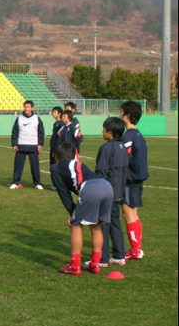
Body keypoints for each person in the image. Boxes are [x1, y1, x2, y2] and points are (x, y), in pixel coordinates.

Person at [51, 142, 113, 276]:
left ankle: (74, 267)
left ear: (54, 155)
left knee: (75, 226)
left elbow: (63, 193)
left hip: (91, 189)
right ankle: (95, 264)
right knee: (96, 226)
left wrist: (72, 212)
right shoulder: (79, 164)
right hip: (106, 186)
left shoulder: (55, 168)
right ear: (75, 154)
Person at [85, 117, 128, 268]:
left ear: (109, 132)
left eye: (103, 130)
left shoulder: (106, 148)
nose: (102, 132)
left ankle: (102, 258)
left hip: (107, 191)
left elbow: (102, 171)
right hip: (118, 191)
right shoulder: (122, 146)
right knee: (115, 222)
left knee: (103, 224)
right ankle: (119, 255)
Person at [120, 100, 149, 260]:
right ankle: (137, 248)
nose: (120, 113)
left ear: (127, 115)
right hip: (136, 179)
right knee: (134, 214)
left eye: (121, 111)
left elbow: (125, 159)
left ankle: (136, 249)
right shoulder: (137, 135)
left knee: (128, 214)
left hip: (130, 180)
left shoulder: (129, 136)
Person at [10, 100, 45, 189]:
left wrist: (40, 144)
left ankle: (37, 183)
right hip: (21, 144)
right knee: (18, 165)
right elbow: (15, 132)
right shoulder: (19, 118)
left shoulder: (37, 118)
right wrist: (14, 144)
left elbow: (41, 132)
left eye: (28, 107)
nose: (26, 109)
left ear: (32, 108)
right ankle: (15, 182)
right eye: (25, 107)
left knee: (35, 166)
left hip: (33, 145)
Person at [48, 106, 64, 191]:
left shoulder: (61, 124)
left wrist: (57, 149)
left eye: (54, 112)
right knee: (52, 165)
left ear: (59, 114)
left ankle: (58, 185)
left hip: (56, 148)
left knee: (56, 166)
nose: (53, 114)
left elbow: (59, 138)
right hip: (53, 147)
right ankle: (55, 184)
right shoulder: (56, 124)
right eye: (52, 112)